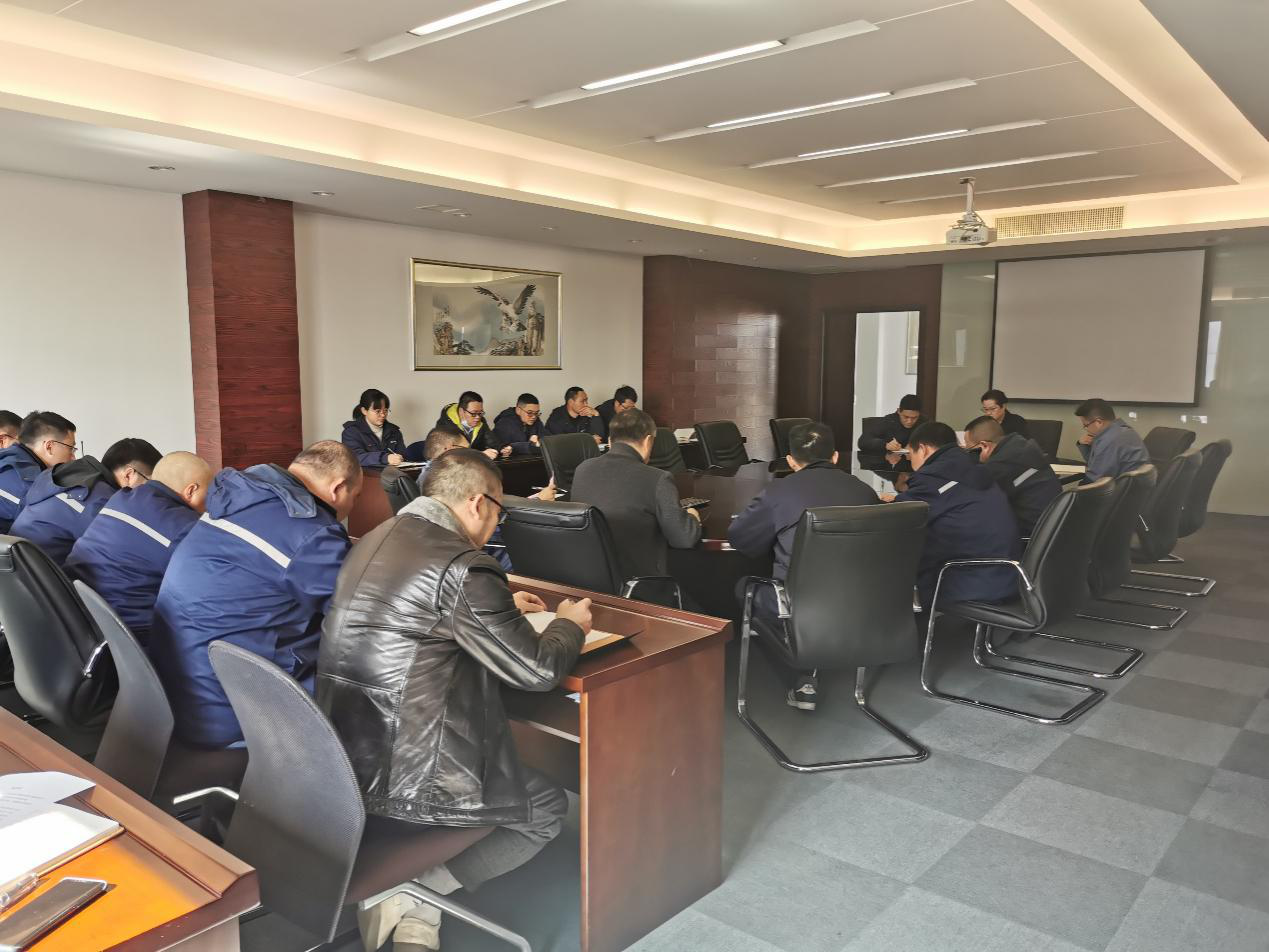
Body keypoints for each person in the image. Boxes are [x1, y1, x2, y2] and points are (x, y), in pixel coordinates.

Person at [317, 448, 590, 952]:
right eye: (499, 510)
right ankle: (419, 891)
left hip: (348, 750)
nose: (496, 523)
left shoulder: (376, 537)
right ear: (478, 502)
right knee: (545, 809)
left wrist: (497, 603)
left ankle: (414, 910)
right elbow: (537, 671)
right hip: (409, 776)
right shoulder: (464, 566)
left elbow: (418, 610)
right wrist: (567, 625)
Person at [149, 441, 360, 748]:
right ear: (338, 488)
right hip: (231, 710)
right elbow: (359, 613)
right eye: (356, 496)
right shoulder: (306, 532)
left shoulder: (238, 501)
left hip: (181, 688)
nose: (353, 505)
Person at [729, 421, 879, 711]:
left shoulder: (779, 492)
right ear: (835, 456)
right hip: (860, 605)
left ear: (790, 461)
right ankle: (817, 671)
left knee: (743, 587)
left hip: (798, 607)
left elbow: (741, 540)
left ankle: (801, 673)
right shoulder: (865, 493)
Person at [65, 452, 212, 645]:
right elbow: (204, 592)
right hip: (130, 636)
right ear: (191, 490)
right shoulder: (184, 527)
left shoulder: (121, 498)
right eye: (210, 493)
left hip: (78, 615)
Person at [884, 422, 1020, 611]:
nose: (910, 462)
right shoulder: (975, 468)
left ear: (923, 449)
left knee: (886, 555)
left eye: (910, 454)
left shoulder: (934, 477)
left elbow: (897, 518)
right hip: (1005, 576)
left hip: (966, 581)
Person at [570, 409, 701, 598]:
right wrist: (692, 518)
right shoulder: (658, 478)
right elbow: (684, 538)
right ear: (648, 441)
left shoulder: (582, 470)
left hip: (592, 585)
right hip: (642, 590)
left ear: (610, 441)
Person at [10, 437, 162, 565]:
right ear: (129, 475)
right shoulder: (104, 502)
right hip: (42, 579)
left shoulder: (68, 475)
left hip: (16, 570)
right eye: (150, 483)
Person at [965, 416, 1060, 537]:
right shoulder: (1021, 446)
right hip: (1050, 529)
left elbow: (974, 498)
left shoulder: (1000, 464)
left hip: (1028, 535)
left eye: (970, 450)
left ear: (984, 446)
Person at [0, 411, 76, 532]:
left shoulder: (8, 458)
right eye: (70, 449)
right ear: (49, 447)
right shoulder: (25, 482)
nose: (73, 458)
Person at [1074, 398, 1150, 482]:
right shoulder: (1120, 431)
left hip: (1119, 488)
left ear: (1099, 422)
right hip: (1128, 486)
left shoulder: (1110, 439)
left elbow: (1095, 479)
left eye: (1086, 425)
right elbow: (1096, 464)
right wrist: (1083, 445)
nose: (1086, 429)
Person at [341, 388, 406, 467]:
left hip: (394, 473)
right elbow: (355, 458)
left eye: (385, 411)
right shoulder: (351, 432)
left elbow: (403, 455)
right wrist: (385, 458)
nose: (383, 415)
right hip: (366, 474)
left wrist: (400, 458)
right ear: (364, 411)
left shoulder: (394, 431)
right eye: (378, 411)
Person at [437, 391, 506, 459]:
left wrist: (502, 448)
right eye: (473, 413)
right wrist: (481, 455)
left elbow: (491, 440)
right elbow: (450, 454)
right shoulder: (445, 425)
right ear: (461, 411)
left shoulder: (481, 421)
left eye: (480, 413)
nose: (478, 417)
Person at [857, 394, 925, 455]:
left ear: (919, 414)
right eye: (906, 417)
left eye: (914, 418)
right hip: (886, 461)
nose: (909, 421)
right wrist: (886, 445)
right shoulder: (887, 421)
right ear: (899, 411)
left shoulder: (924, 423)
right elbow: (863, 441)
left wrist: (917, 445)